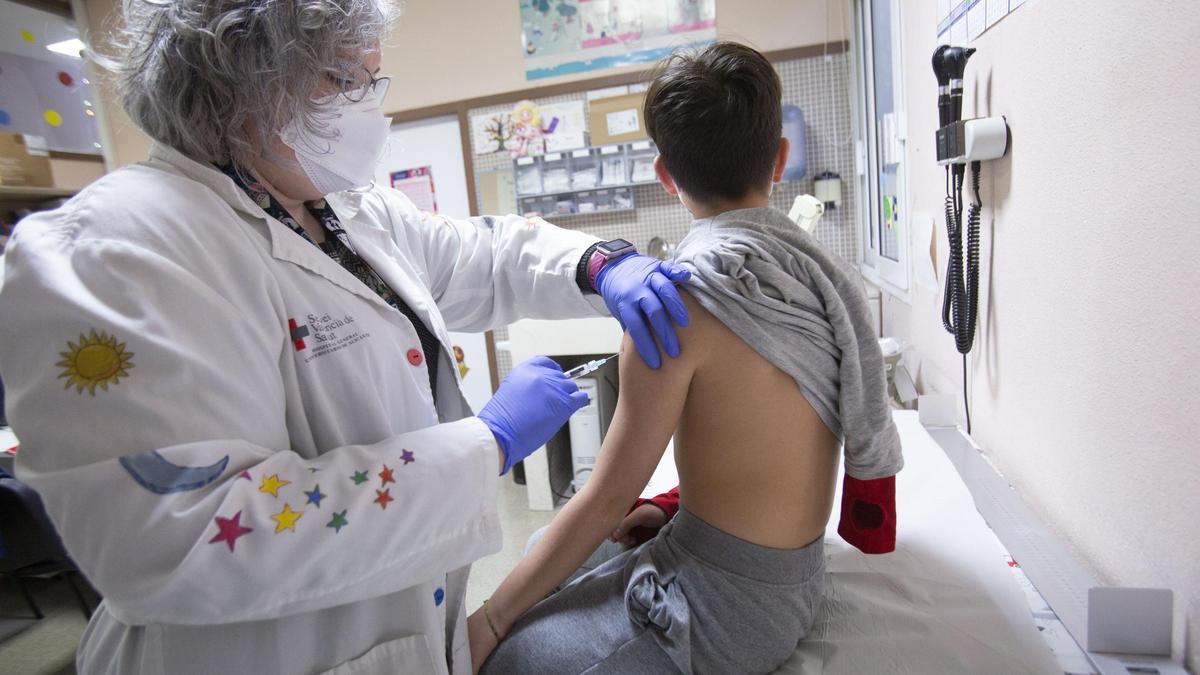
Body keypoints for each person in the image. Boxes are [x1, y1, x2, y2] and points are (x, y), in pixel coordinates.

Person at [0, 2, 691, 673]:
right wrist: (487, 446)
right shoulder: (117, 250)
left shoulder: (338, 208)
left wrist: (597, 264)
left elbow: (479, 255)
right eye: (344, 77)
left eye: (372, 77)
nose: (372, 102)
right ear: (245, 76)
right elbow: (188, 538)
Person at [470, 42, 904, 674]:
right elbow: (767, 443)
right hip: (784, 575)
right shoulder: (813, 279)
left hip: (730, 601)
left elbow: (603, 499)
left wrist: (489, 619)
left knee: (519, 655)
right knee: (546, 547)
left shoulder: (670, 308)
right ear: (779, 158)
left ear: (664, 174)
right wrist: (670, 505)